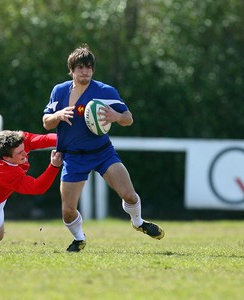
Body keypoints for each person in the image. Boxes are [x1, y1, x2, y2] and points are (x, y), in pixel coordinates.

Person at [42, 44, 164, 252]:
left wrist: (116, 117)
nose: (85, 71)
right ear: (71, 70)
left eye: (89, 67)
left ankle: (138, 222)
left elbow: (128, 118)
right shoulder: (59, 91)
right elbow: (46, 122)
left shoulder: (105, 91)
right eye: (80, 67)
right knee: (68, 211)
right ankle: (79, 238)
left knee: (129, 195)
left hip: (102, 153)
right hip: (73, 157)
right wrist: (58, 115)